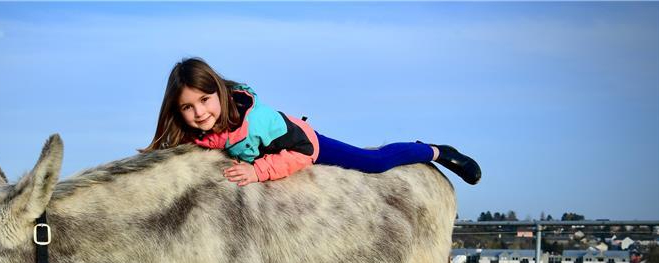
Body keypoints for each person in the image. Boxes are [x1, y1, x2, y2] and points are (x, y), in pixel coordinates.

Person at [143, 58, 481, 186]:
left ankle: (434, 151)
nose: (199, 113)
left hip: (305, 143)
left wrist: (258, 171)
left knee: (373, 162)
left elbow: (302, 153)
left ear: (218, 92)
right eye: (187, 107)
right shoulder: (194, 134)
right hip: (270, 154)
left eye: (204, 100)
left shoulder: (259, 121)